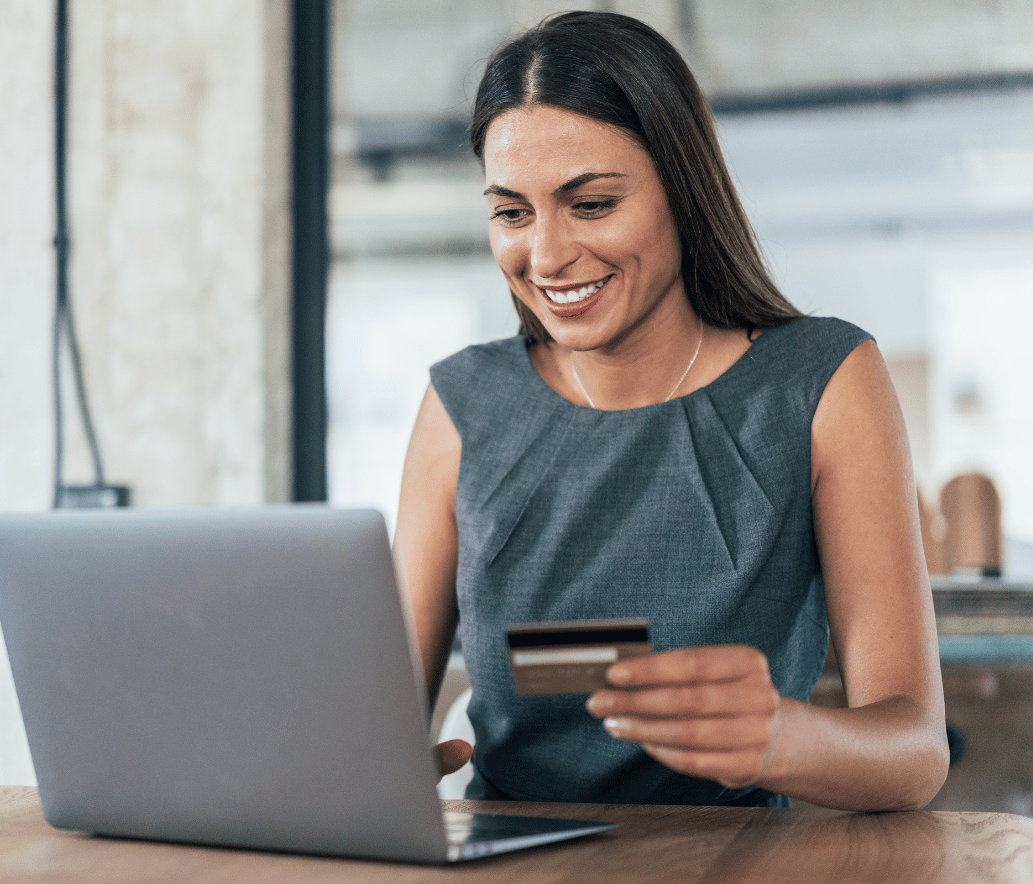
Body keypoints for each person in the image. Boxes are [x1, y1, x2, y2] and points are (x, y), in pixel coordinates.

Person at [394, 11, 948, 810]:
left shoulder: (822, 380)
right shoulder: (461, 403)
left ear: (683, 191)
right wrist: (375, 770)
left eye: (590, 204)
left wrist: (780, 738)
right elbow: (383, 719)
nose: (545, 256)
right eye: (513, 213)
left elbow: (916, 751)